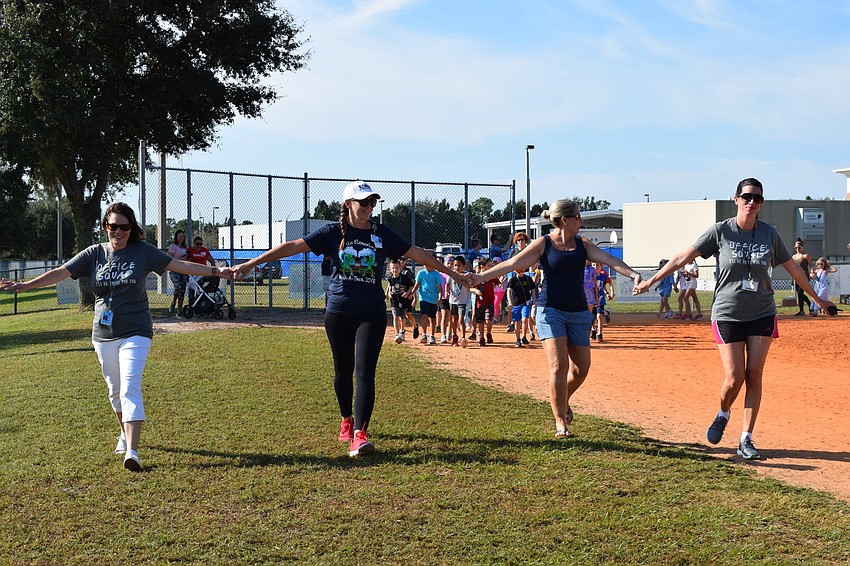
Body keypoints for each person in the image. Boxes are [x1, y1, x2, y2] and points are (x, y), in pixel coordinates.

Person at [228, 181, 463, 457]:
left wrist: (456, 275)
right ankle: (346, 419)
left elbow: (418, 253)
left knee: (365, 371)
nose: (368, 208)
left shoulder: (381, 234)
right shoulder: (332, 232)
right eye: (363, 202)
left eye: (372, 203)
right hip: (338, 312)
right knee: (343, 372)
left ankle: (359, 435)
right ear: (347, 204)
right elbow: (291, 247)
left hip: (371, 313)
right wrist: (249, 264)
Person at [0, 202, 232, 471]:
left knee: (130, 385)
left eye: (124, 226)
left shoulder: (142, 252)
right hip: (103, 333)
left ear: (131, 228)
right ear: (105, 227)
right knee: (114, 390)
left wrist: (216, 271)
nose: (118, 231)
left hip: (136, 330)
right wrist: (26, 285)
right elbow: (61, 272)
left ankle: (132, 452)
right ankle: (124, 432)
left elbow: (179, 265)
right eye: (113, 226)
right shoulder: (94, 254)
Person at [634, 178, 836, 460]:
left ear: (761, 203)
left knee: (754, 376)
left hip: (762, 311)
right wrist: (652, 281)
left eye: (757, 198)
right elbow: (682, 257)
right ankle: (722, 412)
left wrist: (818, 299)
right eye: (747, 197)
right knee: (734, 377)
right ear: (736, 199)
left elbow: (794, 269)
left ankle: (746, 438)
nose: (752, 202)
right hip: (728, 312)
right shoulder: (720, 232)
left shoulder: (770, 234)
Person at [466, 199, 643, 437]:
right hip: (550, 311)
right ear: (565, 220)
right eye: (578, 217)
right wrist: (480, 278)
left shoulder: (583, 244)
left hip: (580, 312)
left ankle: (562, 398)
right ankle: (560, 421)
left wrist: (633, 275)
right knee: (559, 366)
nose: (581, 221)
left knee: (581, 369)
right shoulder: (544, 244)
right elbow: (512, 263)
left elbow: (609, 260)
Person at [412, 261, 444, 346]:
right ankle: (424, 335)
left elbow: (440, 288)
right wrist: (411, 294)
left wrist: (440, 297)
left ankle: (432, 335)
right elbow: (417, 285)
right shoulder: (421, 273)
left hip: (433, 299)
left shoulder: (436, 274)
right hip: (424, 298)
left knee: (432, 318)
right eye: (425, 264)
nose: (427, 266)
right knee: (424, 316)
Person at [470, 258, 498, 346]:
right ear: (482, 267)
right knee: (480, 321)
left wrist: (499, 285)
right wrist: (476, 290)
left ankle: (488, 332)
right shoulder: (476, 277)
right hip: (479, 303)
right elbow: (470, 287)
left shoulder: (491, 275)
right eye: (488, 265)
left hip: (489, 301)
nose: (490, 267)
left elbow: (498, 283)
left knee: (488, 319)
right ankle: (481, 337)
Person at [386, 258, 415, 342]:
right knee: (395, 316)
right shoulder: (390, 278)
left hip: (403, 299)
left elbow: (411, 286)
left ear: (400, 268)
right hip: (394, 299)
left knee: (402, 317)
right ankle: (397, 333)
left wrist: (408, 293)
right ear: (390, 269)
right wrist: (389, 293)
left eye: (397, 268)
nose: (395, 270)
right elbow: (390, 286)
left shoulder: (404, 278)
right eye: (393, 268)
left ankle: (402, 331)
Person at [506, 267, 536, 347]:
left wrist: (534, 299)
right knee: (517, 322)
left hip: (526, 302)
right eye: (519, 271)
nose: (521, 273)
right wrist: (510, 301)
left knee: (525, 319)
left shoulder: (528, 278)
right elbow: (509, 291)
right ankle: (518, 339)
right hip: (516, 303)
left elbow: (533, 289)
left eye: (523, 271)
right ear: (515, 271)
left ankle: (524, 336)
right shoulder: (513, 279)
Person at [447, 256, 472, 347]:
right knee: (454, 319)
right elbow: (447, 284)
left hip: (462, 301)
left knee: (461, 319)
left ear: (464, 266)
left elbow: (470, 284)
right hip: (453, 300)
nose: (457, 268)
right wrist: (446, 291)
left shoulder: (466, 275)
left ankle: (463, 337)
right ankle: (455, 337)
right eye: (455, 265)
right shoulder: (452, 275)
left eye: (459, 266)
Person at [167, 229, 189, 316]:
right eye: (179, 236)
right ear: (176, 237)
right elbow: (170, 258)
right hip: (174, 270)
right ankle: (173, 301)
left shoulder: (184, 248)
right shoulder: (173, 246)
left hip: (183, 270)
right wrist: (181, 260)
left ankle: (179, 311)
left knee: (183, 289)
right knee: (178, 287)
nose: (181, 238)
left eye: (182, 236)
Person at [791, 238, 814, 316]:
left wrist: (812, 272)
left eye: (799, 247)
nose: (797, 249)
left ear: (802, 247)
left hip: (804, 276)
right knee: (799, 294)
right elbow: (792, 268)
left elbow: (811, 265)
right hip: (796, 277)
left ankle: (810, 304)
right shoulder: (793, 257)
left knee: (801, 293)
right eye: (796, 248)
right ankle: (801, 310)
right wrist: (792, 277)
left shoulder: (805, 256)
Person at [591, 263, 614, 342]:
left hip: (600, 299)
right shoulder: (590, 275)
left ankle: (600, 333)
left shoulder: (603, 275)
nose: (595, 267)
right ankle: (593, 329)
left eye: (597, 265)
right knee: (592, 318)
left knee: (599, 316)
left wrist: (610, 293)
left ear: (601, 267)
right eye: (593, 265)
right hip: (591, 299)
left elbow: (606, 284)